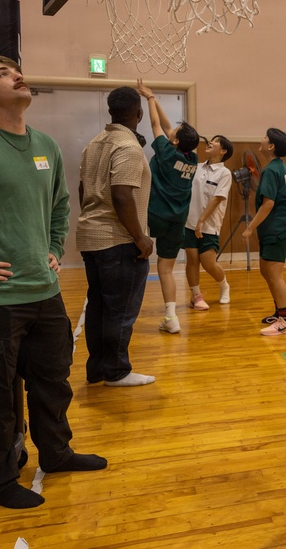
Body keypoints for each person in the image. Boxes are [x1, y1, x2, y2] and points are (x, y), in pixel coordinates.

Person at [0, 56, 106, 509]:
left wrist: (54, 247)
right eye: (2, 73)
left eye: (15, 69)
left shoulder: (46, 146)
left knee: (53, 382)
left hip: (44, 291)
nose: (17, 75)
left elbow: (60, 203)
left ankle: (56, 454)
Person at [77, 85, 156, 388]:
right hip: (118, 241)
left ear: (111, 111)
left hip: (91, 238)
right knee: (120, 311)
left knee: (98, 306)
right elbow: (122, 195)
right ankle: (116, 372)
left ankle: (97, 369)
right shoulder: (128, 147)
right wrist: (141, 238)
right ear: (139, 113)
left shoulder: (95, 143)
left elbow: (85, 189)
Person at [136, 80, 199, 335]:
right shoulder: (191, 157)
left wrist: (149, 100)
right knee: (166, 268)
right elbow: (167, 127)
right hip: (177, 220)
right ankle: (171, 317)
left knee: (136, 255)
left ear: (174, 142)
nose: (171, 130)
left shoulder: (165, 151)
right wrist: (153, 97)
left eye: (175, 132)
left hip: (154, 215)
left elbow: (155, 125)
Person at [244, 128, 286, 334]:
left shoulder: (272, 170)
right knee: (265, 270)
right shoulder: (278, 167)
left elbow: (268, 204)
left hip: (278, 228)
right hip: (274, 228)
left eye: (265, 137)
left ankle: (285, 320)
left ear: (271, 146)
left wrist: (249, 228)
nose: (262, 139)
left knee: (275, 274)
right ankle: (279, 312)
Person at [184, 135, 233, 310]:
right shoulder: (196, 168)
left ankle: (224, 286)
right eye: (211, 140)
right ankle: (196, 296)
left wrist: (201, 221)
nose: (210, 142)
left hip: (209, 225)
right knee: (191, 259)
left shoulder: (224, 173)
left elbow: (217, 198)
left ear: (223, 151)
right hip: (189, 222)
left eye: (216, 141)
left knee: (208, 262)